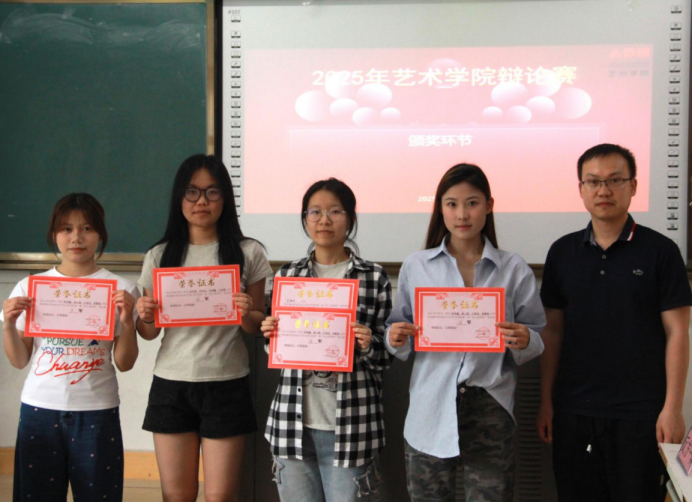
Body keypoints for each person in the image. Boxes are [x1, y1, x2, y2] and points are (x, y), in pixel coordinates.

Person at [537, 143, 692, 502]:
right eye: (593, 181)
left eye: (614, 180)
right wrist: (546, 401)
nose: (603, 190)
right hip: (574, 411)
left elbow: (678, 332)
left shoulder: (661, 251)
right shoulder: (562, 252)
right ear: (581, 189)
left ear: (633, 186)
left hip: (641, 414)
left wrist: (672, 408)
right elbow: (553, 333)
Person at [386, 163, 545, 502]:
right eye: (452, 204)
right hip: (430, 402)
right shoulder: (417, 265)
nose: (462, 214)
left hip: (490, 404)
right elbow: (397, 330)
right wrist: (394, 337)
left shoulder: (513, 267)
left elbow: (536, 335)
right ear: (440, 208)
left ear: (489, 205)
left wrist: (525, 339)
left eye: (472, 203)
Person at [136, 154, 272, 502]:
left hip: (227, 381)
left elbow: (256, 326)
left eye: (212, 192)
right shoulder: (160, 255)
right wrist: (146, 315)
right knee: (176, 495)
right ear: (179, 198)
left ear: (224, 198)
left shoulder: (248, 252)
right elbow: (149, 332)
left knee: (220, 496)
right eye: (192, 192)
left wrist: (245, 311)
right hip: (171, 383)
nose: (201, 201)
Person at [261, 178, 392, 502]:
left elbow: (387, 354)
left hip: (351, 425)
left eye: (335, 211)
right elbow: (275, 349)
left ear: (350, 218)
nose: (324, 220)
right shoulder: (287, 276)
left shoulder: (373, 277)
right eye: (315, 212)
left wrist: (369, 344)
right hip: (291, 424)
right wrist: (270, 333)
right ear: (305, 219)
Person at [2, 193, 139, 502]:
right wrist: (8, 324)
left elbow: (125, 362)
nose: (77, 238)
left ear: (100, 234)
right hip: (39, 408)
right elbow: (19, 360)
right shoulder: (30, 287)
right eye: (66, 229)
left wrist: (128, 324)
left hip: (97, 410)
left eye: (87, 228)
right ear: (54, 234)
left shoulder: (121, 289)